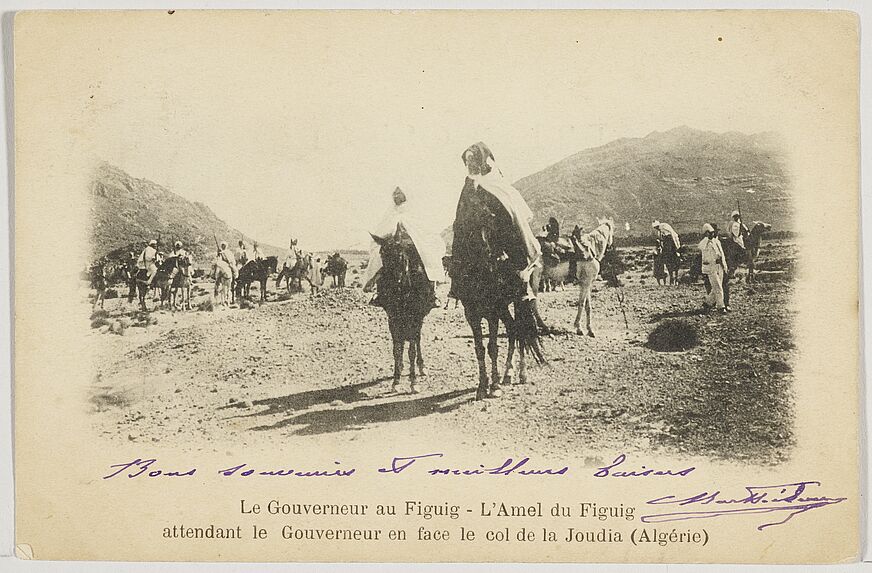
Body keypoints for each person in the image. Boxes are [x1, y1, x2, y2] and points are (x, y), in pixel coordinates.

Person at [451, 141, 541, 300]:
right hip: (473, 229)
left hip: (499, 228)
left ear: (481, 160)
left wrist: (490, 218)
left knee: (512, 242)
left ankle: (522, 283)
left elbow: (509, 210)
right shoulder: (468, 184)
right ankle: (457, 287)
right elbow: (461, 209)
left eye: (472, 160)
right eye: (467, 161)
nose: (469, 164)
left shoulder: (495, 181)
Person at [363, 186, 446, 308]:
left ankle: (433, 294)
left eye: (399, 194)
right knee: (382, 260)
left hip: (413, 246)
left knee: (426, 260)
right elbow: (383, 230)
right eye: (394, 195)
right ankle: (378, 292)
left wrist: (413, 239)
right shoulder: (390, 213)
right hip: (394, 246)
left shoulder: (413, 211)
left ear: (405, 196)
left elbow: (423, 232)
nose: (396, 197)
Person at [698, 223, 728, 314]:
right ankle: (721, 307)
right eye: (709, 233)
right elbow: (700, 247)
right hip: (711, 268)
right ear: (706, 233)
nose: (711, 234)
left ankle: (707, 303)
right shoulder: (704, 243)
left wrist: (724, 266)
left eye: (712, 232)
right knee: (718, 287)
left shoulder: (717, 242)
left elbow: (721, 254)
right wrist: (706, 238)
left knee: (716, 288)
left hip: (719, 266)